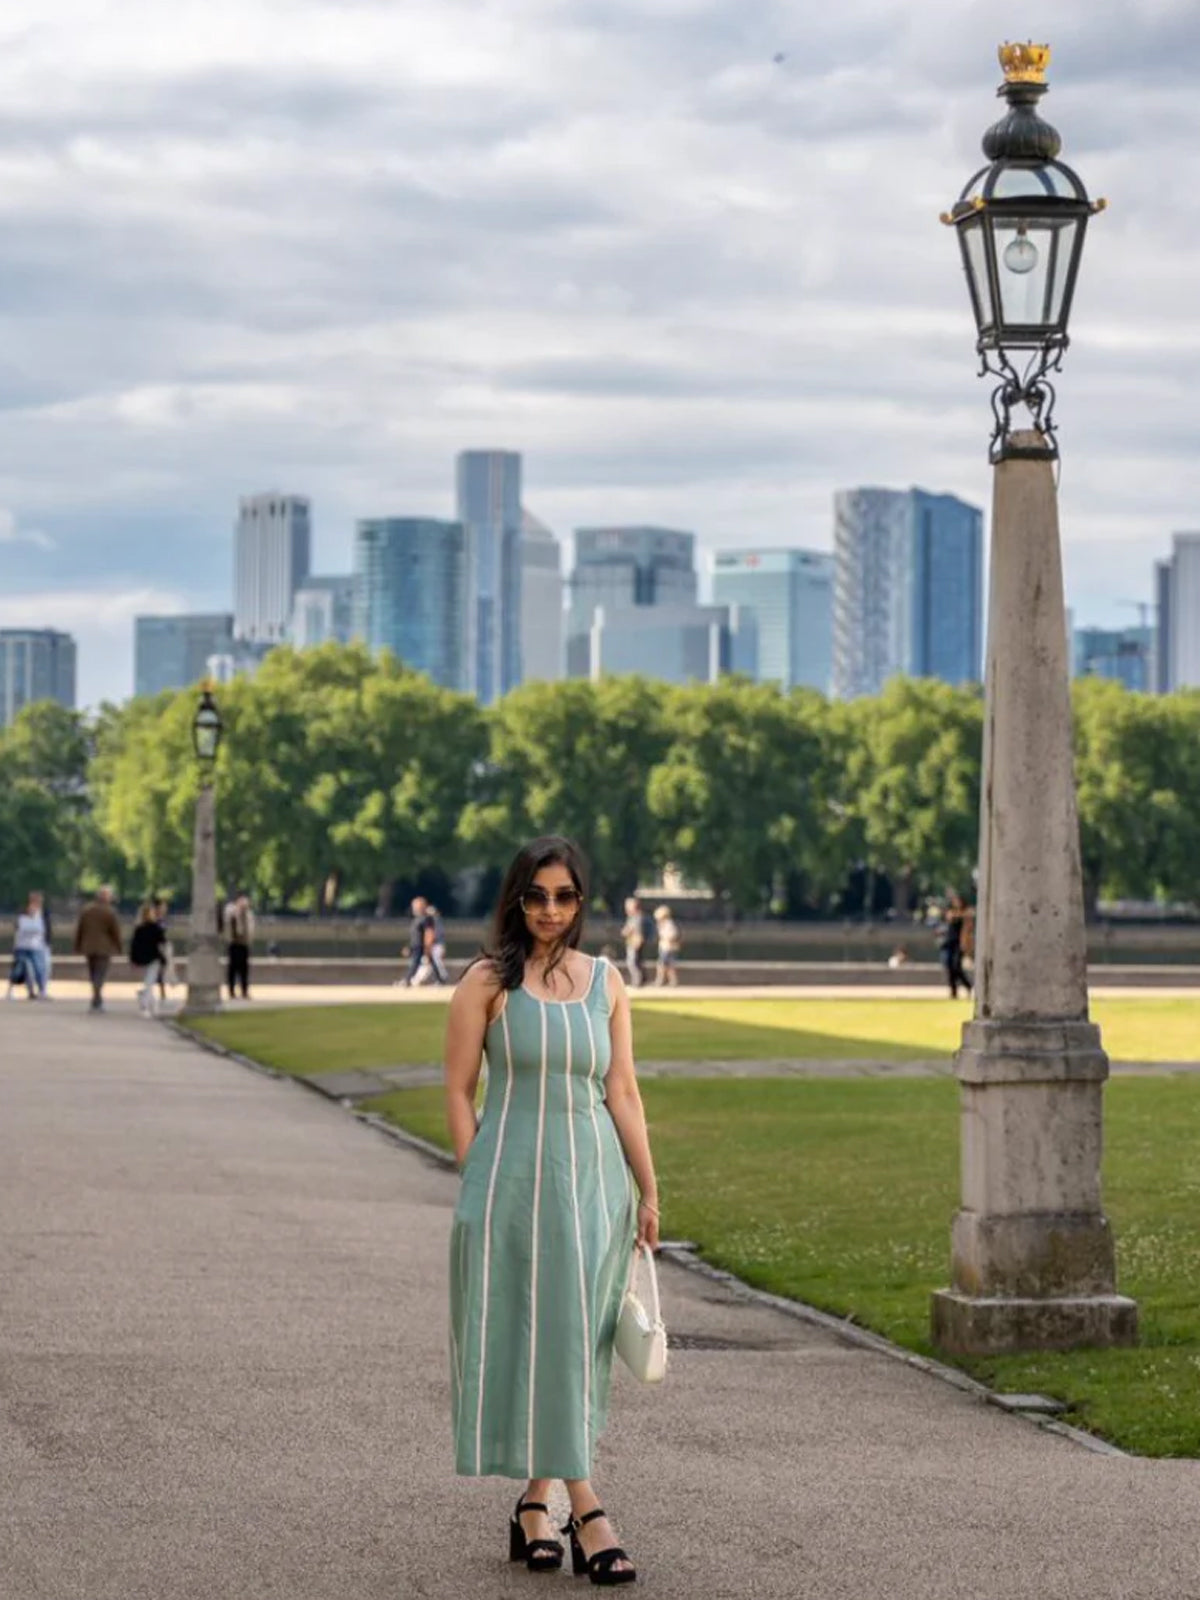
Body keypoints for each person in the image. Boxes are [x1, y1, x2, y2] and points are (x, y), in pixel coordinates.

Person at [445, 836, 659, 1586]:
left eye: (564, 896)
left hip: (595, 1184)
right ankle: (588, 1511)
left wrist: (650, 1188)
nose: (550, 910)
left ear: (580, 901)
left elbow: (623, 1091)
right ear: (516, 899)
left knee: (572, 1340)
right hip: (512, 1185)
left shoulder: (606, 981)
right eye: (536, 896)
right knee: (536, 1337)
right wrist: (477, 1176)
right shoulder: (485, 983)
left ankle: (536, 1506)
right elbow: (457, 1090)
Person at [73, 887, 123, 1012]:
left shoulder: (87, 910)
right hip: (104, 948)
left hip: (88, 947)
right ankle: (96, 1000)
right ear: (107, 898)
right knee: (100, 974)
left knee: (93, 973)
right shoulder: (110, 912)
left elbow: (80, 929)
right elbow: (115, 932)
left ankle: (96, 999)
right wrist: (119, 947)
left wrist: (77, 945)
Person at [129, 901, 168, 1017]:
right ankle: (145, 1005)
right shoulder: (155, 927)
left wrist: (133, 959)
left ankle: (150, 1003)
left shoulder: (139, 928)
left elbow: (134, 946)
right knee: (149, 982)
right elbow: (163, 942)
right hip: (153, 958)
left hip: (143, 958)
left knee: (148, 981)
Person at [8, 893, 47, 1000]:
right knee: (18, 969)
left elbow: (41, 931)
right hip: (22, 947)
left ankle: (41, 991)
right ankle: (11, 990)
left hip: (35, 947)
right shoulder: (22, 916)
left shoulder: (40, 916)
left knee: (39, 969)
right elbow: (21, 929)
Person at [939, 889, 973, 999]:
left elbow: (967, 929)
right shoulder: (951, 913)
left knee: (956, 966)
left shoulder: (966, 914)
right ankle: (953, 990)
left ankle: (968, 985)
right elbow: (948, 918)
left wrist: (966, 944)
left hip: (960, 942)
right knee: (949, 966)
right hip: (950, 941)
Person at [223, 893, 255, 1000]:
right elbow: (228, 924)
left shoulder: (248, 915)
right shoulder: (231, 912)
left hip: (244, 944)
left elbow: (250, 929)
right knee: (232, 969)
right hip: (234, 944)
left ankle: (244, 991)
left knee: (244, 970)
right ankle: (231, 991)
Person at [402, 895, 432, 986]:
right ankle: (409, 979)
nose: (414, 908)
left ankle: (408, 979)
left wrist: (428, 945)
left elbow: (429, 933)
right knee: (415, 963)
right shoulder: (416, 919)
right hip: (415, 945)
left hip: (421, 945)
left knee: (416, 963)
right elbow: (414, 936)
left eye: (416, 906)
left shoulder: (426, 919)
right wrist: (408, 946)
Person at [653, 904, 681, 987]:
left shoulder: (669, 924)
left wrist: (666, 938)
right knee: (667, 965)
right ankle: (671, 981)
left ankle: (661, 981)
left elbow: (673, 935)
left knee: (663, 965)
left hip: (668, 947)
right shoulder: (662, 924)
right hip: (664, 947)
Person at [620, 896, 645, 989]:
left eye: (628, 906)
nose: (626, 908)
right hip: (632, 942)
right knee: (635, 961)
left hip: (634, 942)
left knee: (632, 962)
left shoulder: (636, 917)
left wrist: (625, 931)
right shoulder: (633, 917)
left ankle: (637, 981)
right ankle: (639, 980)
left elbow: (633, 930)